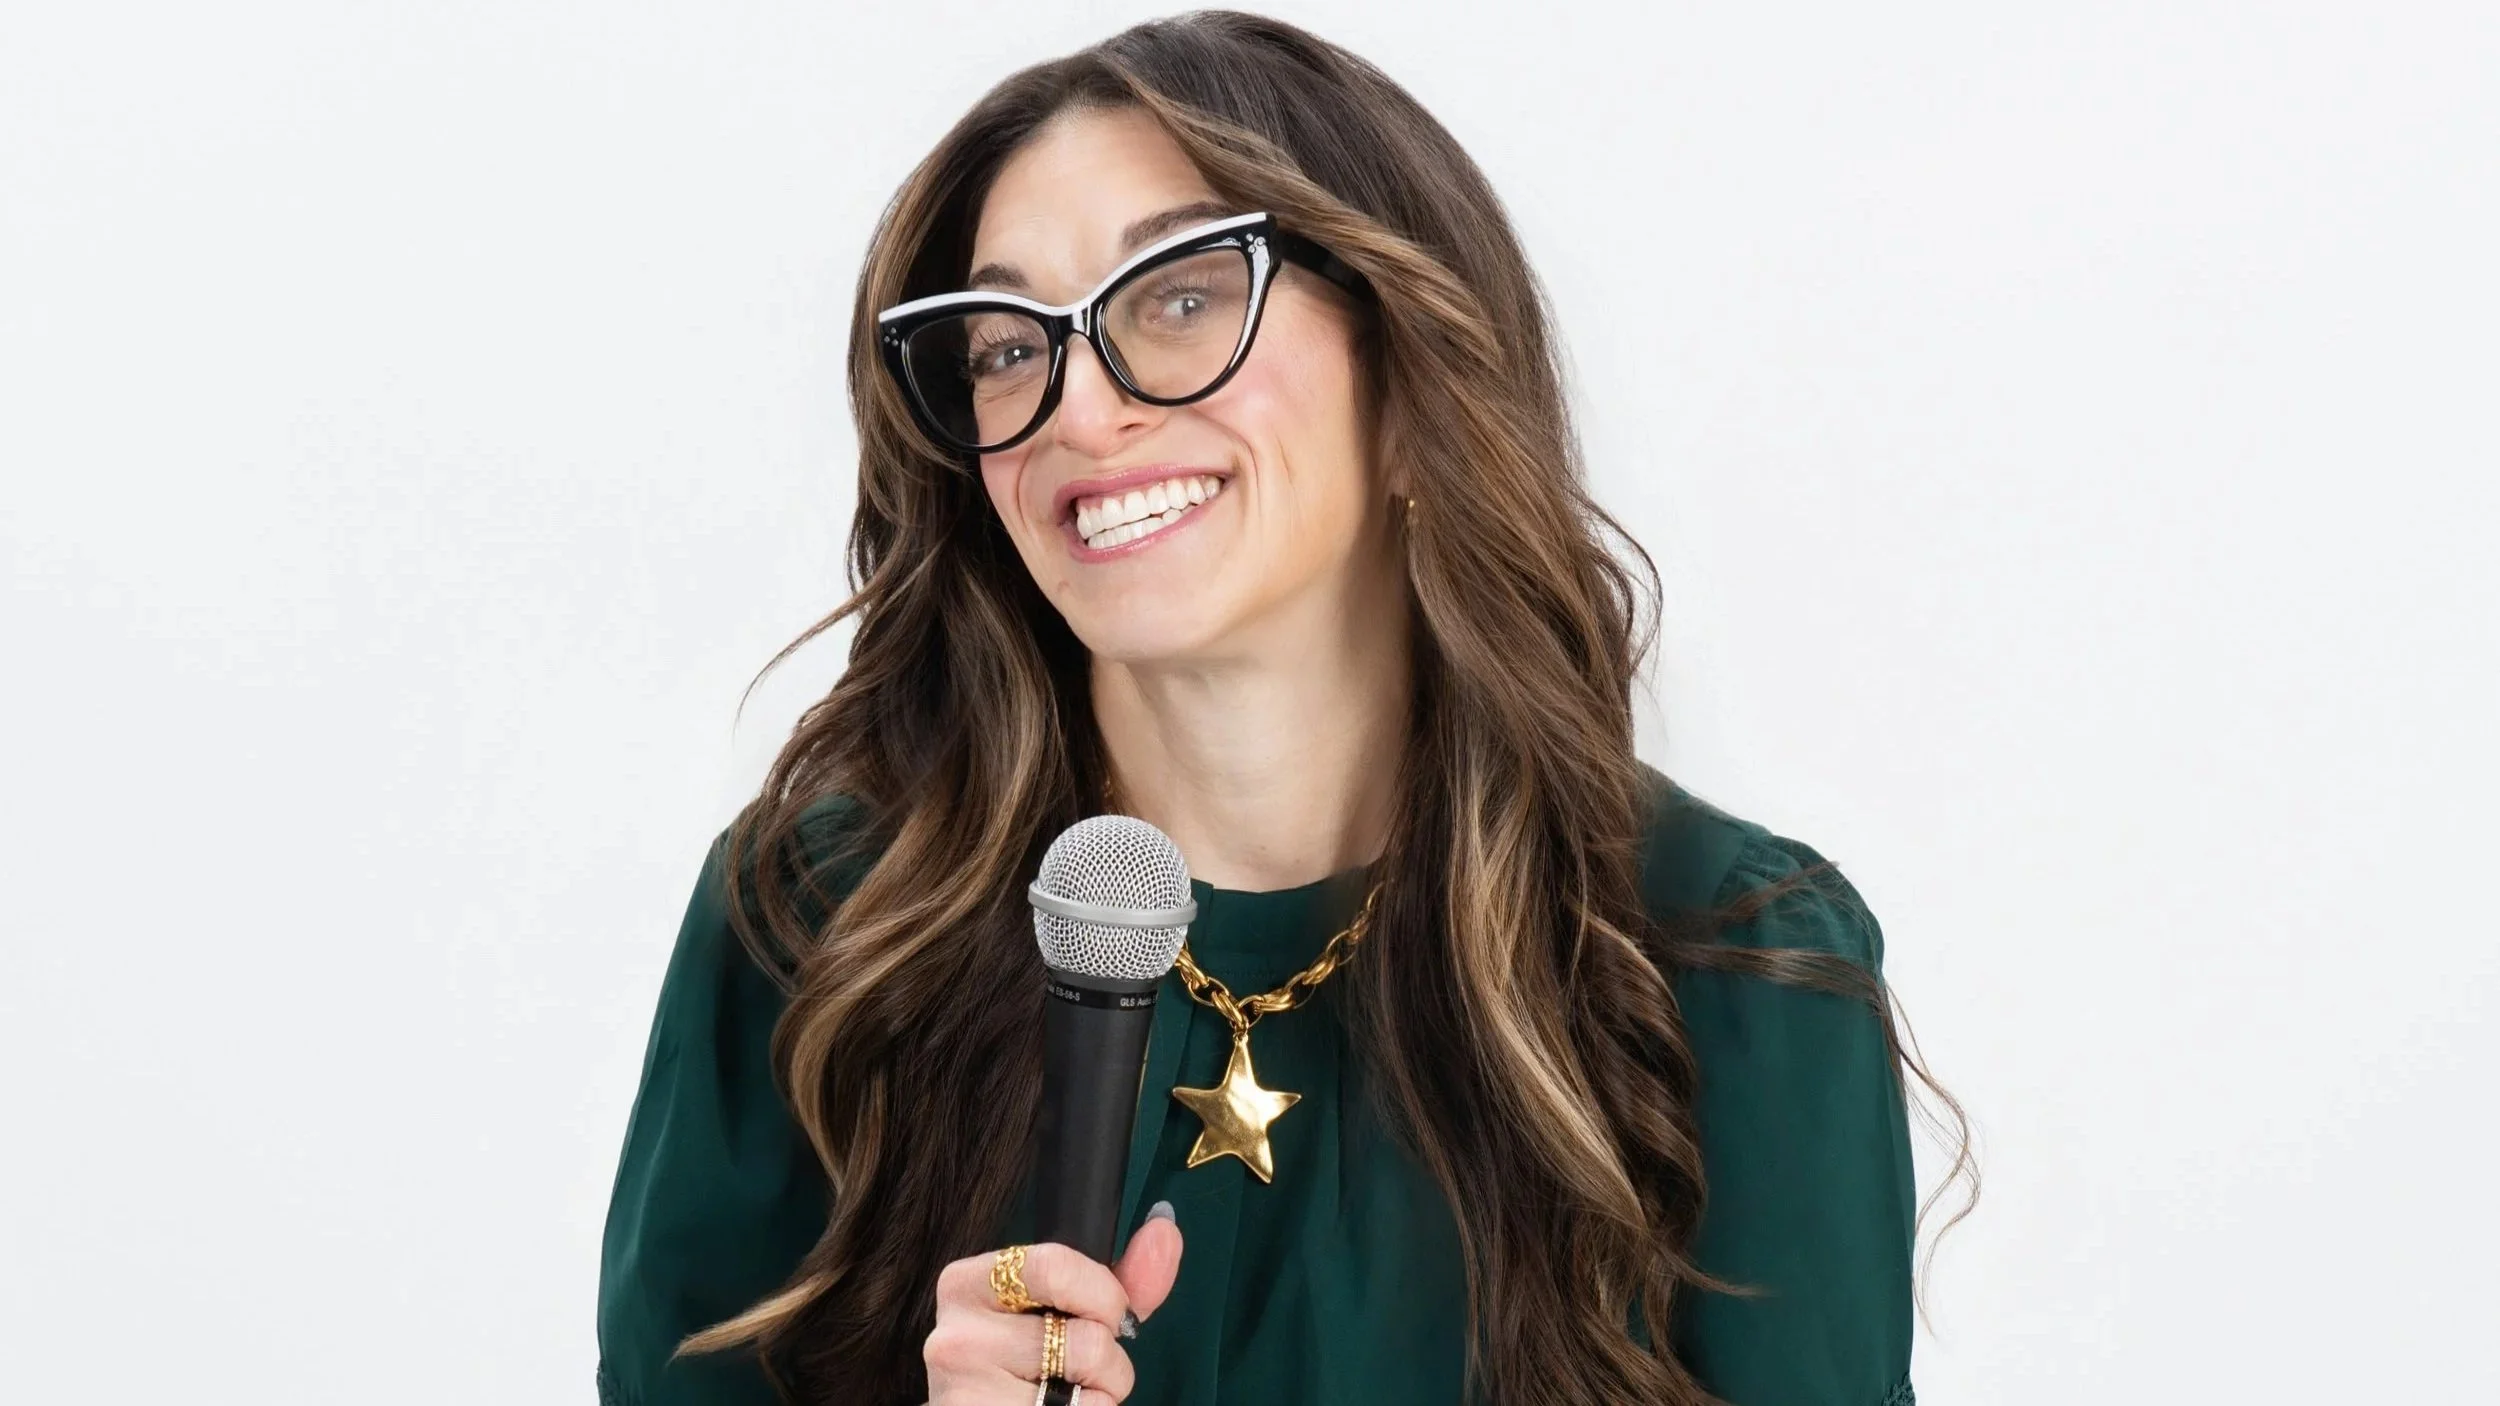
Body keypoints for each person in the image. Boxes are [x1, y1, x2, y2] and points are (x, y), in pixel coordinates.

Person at [597, 12, 1967, 1406]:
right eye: (1005, 348)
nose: (1079, 409)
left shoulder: (1730, 964)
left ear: (1410, 372)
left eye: (1183, 296)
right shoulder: (824, 926)